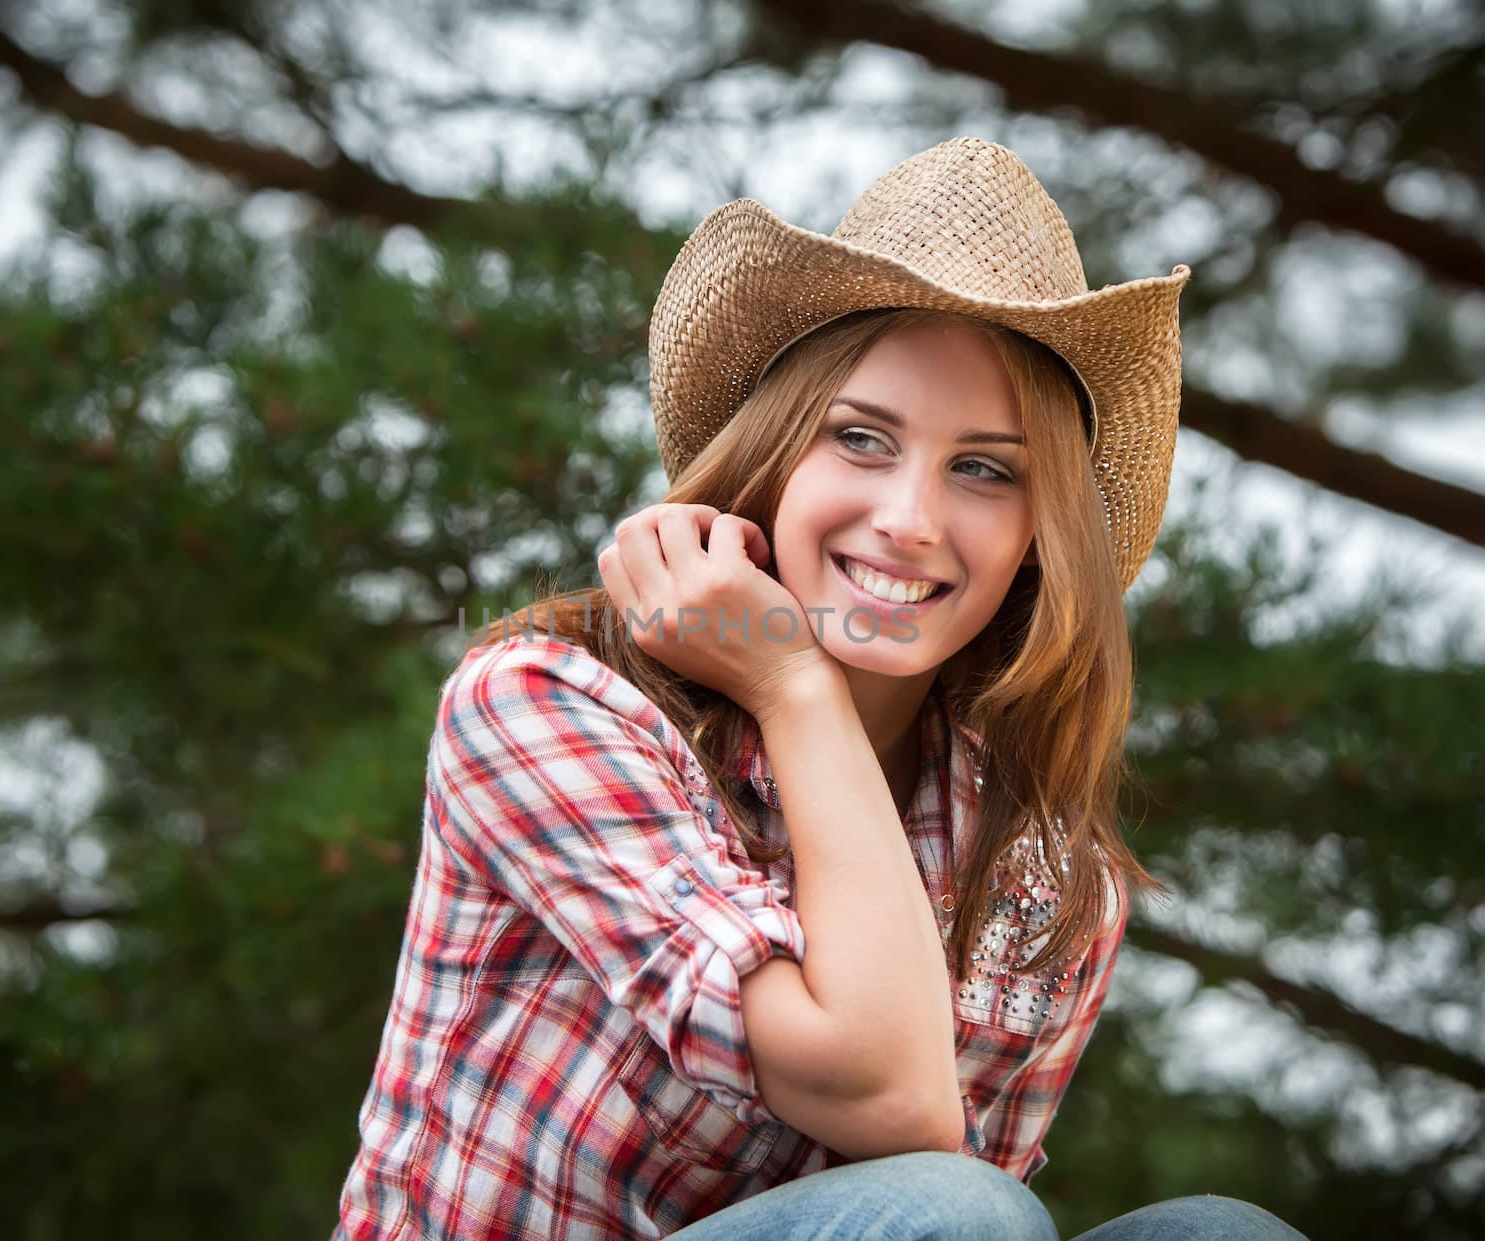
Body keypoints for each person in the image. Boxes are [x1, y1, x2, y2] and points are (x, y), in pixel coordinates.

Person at [333, 138, 1310, 1240]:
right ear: (774, 455)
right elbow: (894, 1107)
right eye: (860, 438)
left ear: (1040, 539)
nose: (909, 518)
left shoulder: (1049, 884)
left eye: (984, 468)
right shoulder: (544, 704)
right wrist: (794, 682)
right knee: (962, 1209)